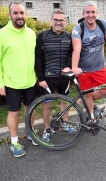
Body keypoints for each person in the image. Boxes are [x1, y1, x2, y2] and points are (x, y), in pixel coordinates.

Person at [0, 2, 37, 157]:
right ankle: (14, 141)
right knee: (14, 112)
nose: (19, 16)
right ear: (10, 15)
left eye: (22, 13)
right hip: (11, 83)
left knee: (30, 110)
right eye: (16, 13)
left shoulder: (31, 33)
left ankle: (31, 134)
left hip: (30, 80)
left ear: (26, 15)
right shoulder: (1, 34)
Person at [71, 1, 106, 120]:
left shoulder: (102, 24)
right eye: (88, 12)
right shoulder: (78, 29)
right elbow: (77, 49)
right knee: (88, 94)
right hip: (84, 70)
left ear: (97, 13)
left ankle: (88, 100)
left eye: (93, 12)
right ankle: (91, 118)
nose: (91, 15)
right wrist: (74, 67)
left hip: (100, 67)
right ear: (83, 14)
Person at [35, 9, 75, 143]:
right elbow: (38, 59)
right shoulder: (43, 36)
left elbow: (74, 54)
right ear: (51, 21)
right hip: (48, 77)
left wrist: (70, 65)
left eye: (61, 20)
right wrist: (40, 78)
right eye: (56, 20)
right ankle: (47, 128)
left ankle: (65, 123)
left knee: (66, 101)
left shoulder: (69, 37)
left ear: (65, 22)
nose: (59, 22)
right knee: (47, 105)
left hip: (64, 77)